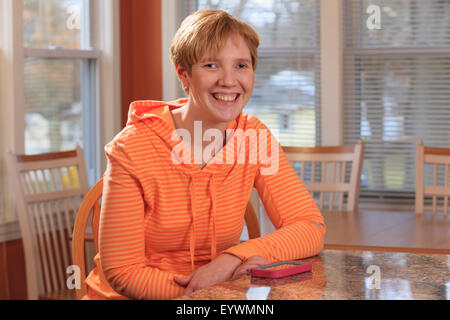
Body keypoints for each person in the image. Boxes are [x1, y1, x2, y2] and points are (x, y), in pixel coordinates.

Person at [83, 9, 325, 300]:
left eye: (241, 66)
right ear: (183, 73)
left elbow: (310, 227)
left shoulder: (253, 136)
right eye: (211, 65)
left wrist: (233, 259)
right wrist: (214, 291)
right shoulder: (133, 147)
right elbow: (124, 273)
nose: (228, 80)